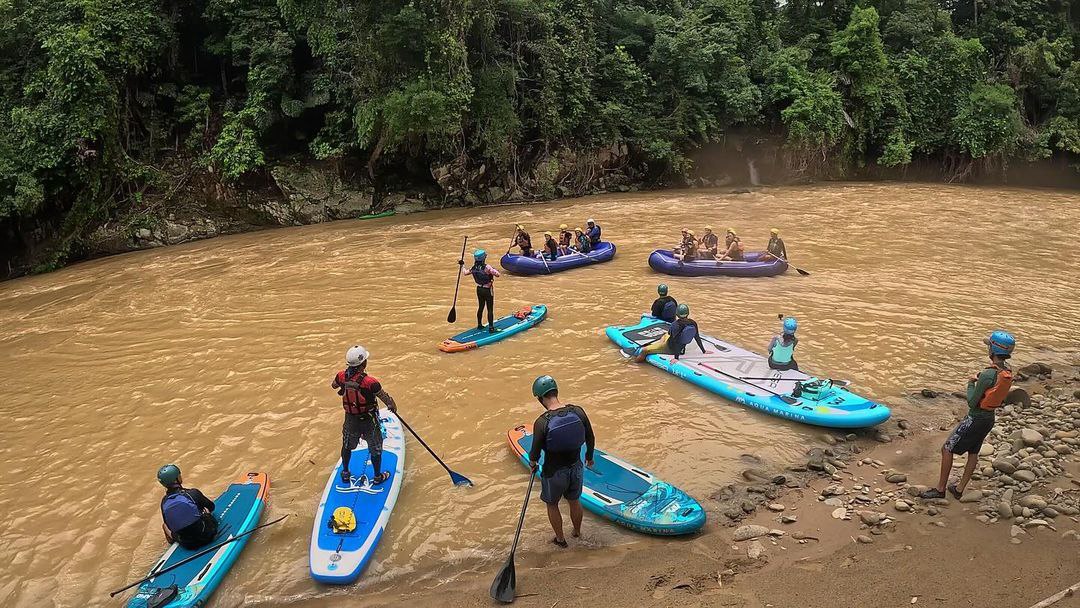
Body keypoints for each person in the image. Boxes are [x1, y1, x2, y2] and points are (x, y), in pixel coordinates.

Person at [920, 331, 1016, 501]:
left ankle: (940, 489)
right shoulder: (1007, 371)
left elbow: (972, 402)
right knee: (973, 451)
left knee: (947, 448)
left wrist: (971, 382)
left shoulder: (988, 374)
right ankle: (959, 489)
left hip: (976, 418)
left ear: (992, 350)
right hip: (989, 418)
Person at [528, 375, 595, 548]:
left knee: (552, 504)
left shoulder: (542, 422)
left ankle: (560, 539)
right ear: (556, 391)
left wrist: (533, 463)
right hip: (576, 466)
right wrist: (589, 457)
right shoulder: (578, 411)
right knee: (574, 500)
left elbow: (534, 451)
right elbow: (590, 436)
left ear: (540, 398)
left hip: (554, 471)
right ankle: (577, 532)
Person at [332, 345, 399, 485]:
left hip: (350, 419)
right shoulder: (370, 382)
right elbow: (385, 398)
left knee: (347, 445)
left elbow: (334, 385)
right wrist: (392, 406)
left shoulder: (341, 376)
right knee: (375, 448)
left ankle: (345, 472)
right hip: (369, 420)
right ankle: (377, 477)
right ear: (364, 363)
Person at [158, 464, 219, 550]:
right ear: (176, 479)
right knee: (206, 510)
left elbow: (169, 524)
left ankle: (172, 543)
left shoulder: (164, 502)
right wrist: (206, 514)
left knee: (164, 525)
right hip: (208, 535)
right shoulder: (193, 493)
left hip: (186, 543)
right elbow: (212, 507)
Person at [635, 304, 706, 362]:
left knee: (644, 350)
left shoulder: (675, 324)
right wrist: (703, 351)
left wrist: (676, 358)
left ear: (677, 314)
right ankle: (660, 344)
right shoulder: (693, 323)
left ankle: (635, 363)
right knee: (666, 335)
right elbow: (697, 337)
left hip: (670, 349)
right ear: (688, 313)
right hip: (682, 348)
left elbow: (677, 341)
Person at [462, 249, 500, 332]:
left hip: (479, 289)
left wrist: (462, 265)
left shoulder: (474, 268)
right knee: (490, 309)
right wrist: (494, 270)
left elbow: (465, 273)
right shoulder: (487, 267)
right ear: (483, 258)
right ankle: (491, 327)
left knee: (481, 307)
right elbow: (497, 274)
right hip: (487, 290)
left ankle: (479, 325)